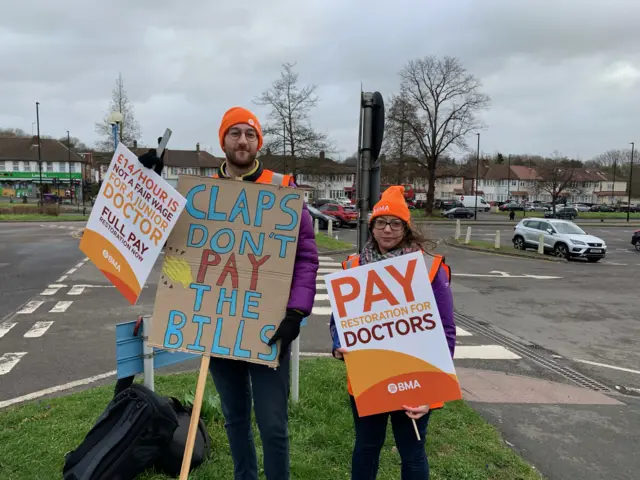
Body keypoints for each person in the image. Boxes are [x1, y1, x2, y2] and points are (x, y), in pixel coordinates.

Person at [139, 107, 319, 480]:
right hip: (218, 327)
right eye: (234, 133)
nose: (242, 141)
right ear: (223, 141)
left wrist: (296, 313)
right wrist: (147, 182)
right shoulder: (200, 195)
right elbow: (170, 240)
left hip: (268, 327)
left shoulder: (283, 189)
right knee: (235, 420)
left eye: (249, 134)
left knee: (273, 425)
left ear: (259, 142)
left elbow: (305, 257)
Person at [329, 186, 455, 480]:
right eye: (381, 223)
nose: (388, 230)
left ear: (406, 227)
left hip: (416, 377)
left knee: (412, 452)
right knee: (366, 447)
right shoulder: (354, 266)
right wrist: (338, 344)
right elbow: (338, 320)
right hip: (369, 374)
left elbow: (446, 330)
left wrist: (434, 388)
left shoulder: (429, 268)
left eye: (395, 223)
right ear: (371, 226)